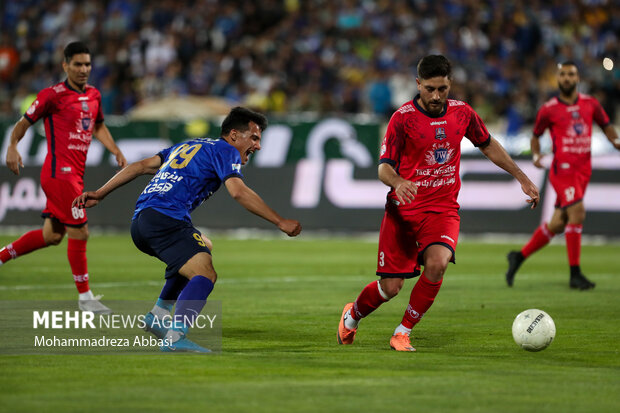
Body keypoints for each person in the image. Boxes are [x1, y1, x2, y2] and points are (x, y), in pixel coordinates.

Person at [337, 55, 540, 352]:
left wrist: (521, 176)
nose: (435, 96)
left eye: (442, 89)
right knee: (390, 288)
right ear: (418, 84)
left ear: (450, 84)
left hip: (442, 210)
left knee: (437, 263)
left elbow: (487, 144)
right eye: (429, 88)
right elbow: (383, 168)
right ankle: (352, 315)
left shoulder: (463, 113)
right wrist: (398, 182)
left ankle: (402, 332)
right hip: (403, 211)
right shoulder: (402, 118)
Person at [73, 107, 302, 352]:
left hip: (142, 220)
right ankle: (175, 338)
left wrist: (100, 193)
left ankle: (159, 314)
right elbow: (239, 192)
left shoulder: (188, 146)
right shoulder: (226, 150)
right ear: (234, 135)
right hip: (165, 219)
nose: (257, 146)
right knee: (205, 274)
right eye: (254, 138)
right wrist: (279, 221)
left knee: (204, 245)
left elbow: (140, 166)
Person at [1, 41, 127, 314]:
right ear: (65, 65)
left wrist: (115, 149)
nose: (84, 69)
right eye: (78, 64)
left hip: (74, 176)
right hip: (60, 175)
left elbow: (99, 125)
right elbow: (23, 122)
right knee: (80, 231)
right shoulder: (52, 95)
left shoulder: (94, 95)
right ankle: (85, 298)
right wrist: (12, 146)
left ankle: (0, 257)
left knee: (52, 236)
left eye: (87, 64)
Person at [505, 61, 620, 290]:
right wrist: (536, 154)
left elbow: (606, 124)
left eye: (571, 74)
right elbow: (535, 135)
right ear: (558, 79)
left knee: (558, 223)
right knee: (577, 211)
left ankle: (518, 256)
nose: (567, 78)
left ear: (577, 78)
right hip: (562, 169)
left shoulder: (591, 104)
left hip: (583, 170)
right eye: (563, 75)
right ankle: (575, 274)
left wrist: (615, 141)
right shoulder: (548, 108)